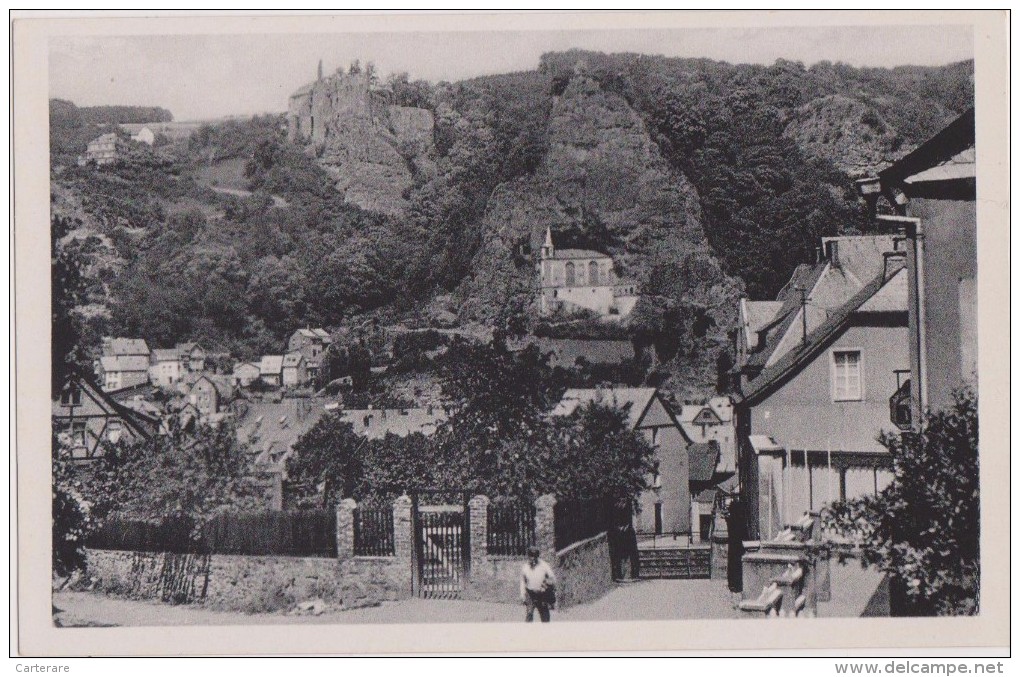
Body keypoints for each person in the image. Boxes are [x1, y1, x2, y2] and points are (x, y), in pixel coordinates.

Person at [520, 545, 556, 623]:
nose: (532, 558)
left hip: (542, 594)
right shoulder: (525, 567)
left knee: (545, 616)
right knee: (529, 615)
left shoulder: (544, 565)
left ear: (537, 556)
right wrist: (523, 595)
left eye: (534, 556)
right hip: (530, 593)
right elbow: (523, 581)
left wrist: (545, 586)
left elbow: (552, 578)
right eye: (531, 556)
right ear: (528, 556)